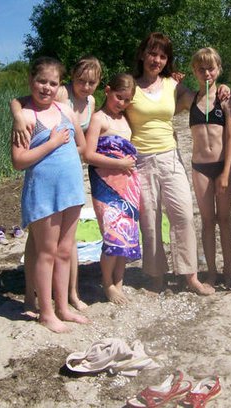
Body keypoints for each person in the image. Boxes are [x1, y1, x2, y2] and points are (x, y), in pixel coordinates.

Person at [127, 32, 228, 295]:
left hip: (170, 157)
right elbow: (111, 111)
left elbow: (201, 97)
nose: (157, 60)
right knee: (150, 221)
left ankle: (190, 275)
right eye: (152, 54)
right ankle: (156, 276)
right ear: (142, 55)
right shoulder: (130, 86)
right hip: (140, 160)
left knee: (183, 215)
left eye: (162, 56)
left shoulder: (173, 85)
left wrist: (223, 88)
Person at [11, 56, 101, 314]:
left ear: (59, 85)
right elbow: (18, 161)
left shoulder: (65, 110)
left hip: (71, 189)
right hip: (43, 192)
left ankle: (62, 308)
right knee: (46, 252)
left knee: (64, 251)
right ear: (31, 80)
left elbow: (82, 145)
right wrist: (52, 144)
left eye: (52, 83)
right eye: (42, 81)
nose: (46, 87)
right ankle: (46, 312)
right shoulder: (26, 116)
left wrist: (64, 150)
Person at [180, 47, 231, 288]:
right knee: (207, 221)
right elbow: (165, 103)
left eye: (211, 68)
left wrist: (226, 172)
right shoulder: (189, 99)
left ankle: (228, 269)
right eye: (201, 69)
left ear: (219, 69)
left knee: (224, 219)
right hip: (200, 167)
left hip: (222, 166)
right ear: (194, 71)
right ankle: (211, 271)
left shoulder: (225, 100)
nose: (206, 73)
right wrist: (174, 82)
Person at [83, 73, 140, 305]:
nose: (122, 103)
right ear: (107, 91)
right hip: (105, 184)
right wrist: (120, 164)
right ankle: (107, 283)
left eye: (127, 100)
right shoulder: (99, 119)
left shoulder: (125, 119)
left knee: (126, 234)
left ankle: (119, 282)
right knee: (112, 234)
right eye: (118, 97)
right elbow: (88, 155)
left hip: (128, 184)